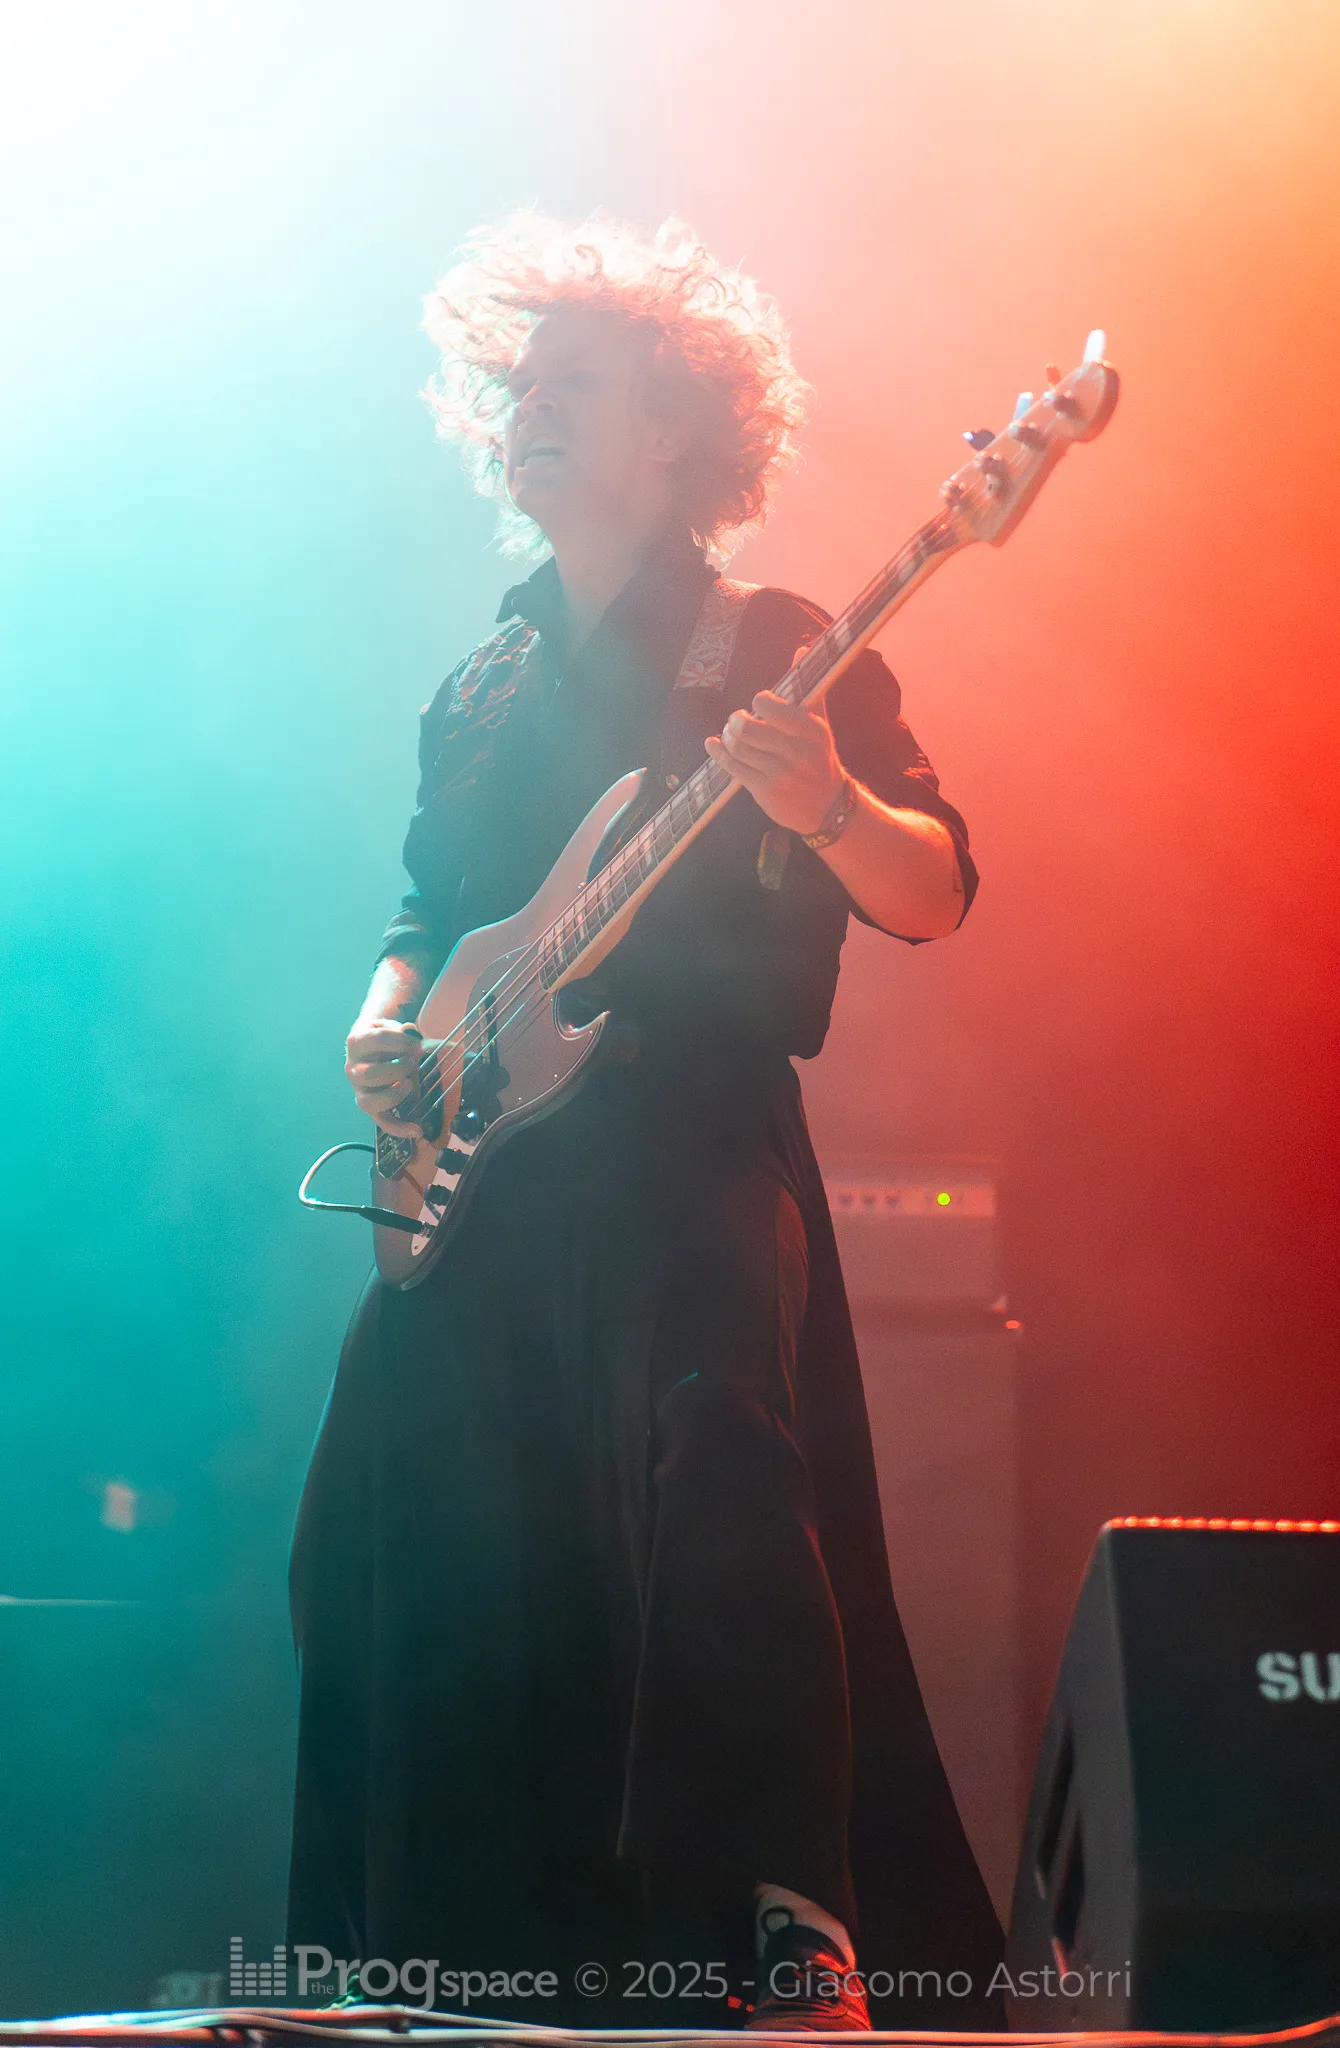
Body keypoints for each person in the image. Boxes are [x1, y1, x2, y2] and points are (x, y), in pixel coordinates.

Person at [287, 213, 1003, 2031]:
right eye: (519, 388)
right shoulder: (482, 681)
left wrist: (822, 796)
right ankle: (418, 1953)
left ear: (674, 430)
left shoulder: (772, 643)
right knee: (373, 1507)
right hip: (484, 1177)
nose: (529, 413)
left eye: (577, 387)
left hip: (686, 1139)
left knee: (714, 1452)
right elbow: (425, 912)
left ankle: (781, 1928)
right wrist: (383, 1026)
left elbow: (929, 893)